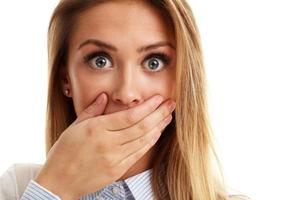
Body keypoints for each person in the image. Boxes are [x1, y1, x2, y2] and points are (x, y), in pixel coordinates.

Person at [0, 0, 250, 199]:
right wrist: (54, 190)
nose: (127, 93)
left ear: (184, 79)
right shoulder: (17, 188)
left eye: (154, 62)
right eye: (100, 61)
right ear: (66, 80)